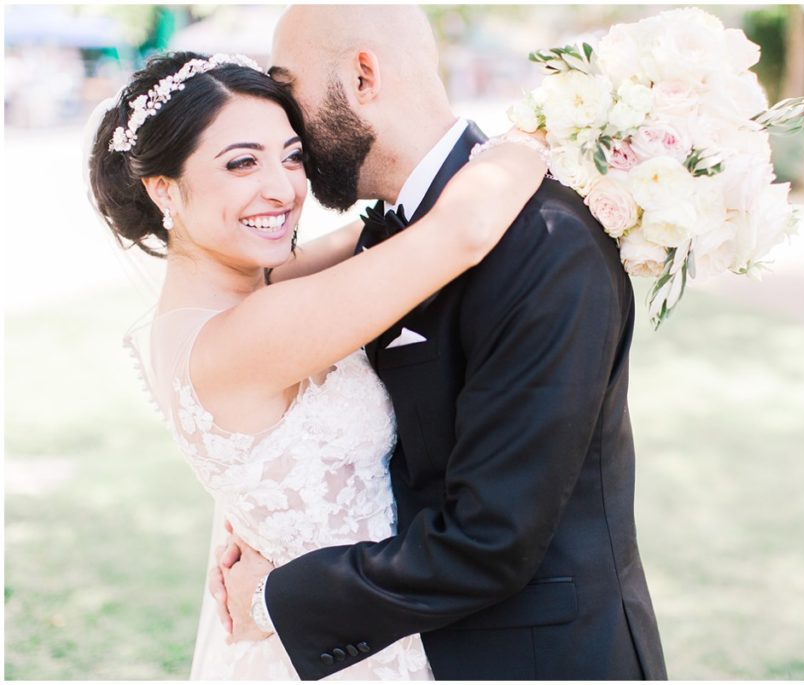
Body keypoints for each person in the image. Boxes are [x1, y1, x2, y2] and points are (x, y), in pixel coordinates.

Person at [214, 6, 668, 680]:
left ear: (363, 75)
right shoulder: (396, 234)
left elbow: (490, 539)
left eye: (288, 88)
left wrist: (274, 598)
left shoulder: (546, 244)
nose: (287, 125)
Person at [87, 50, 548, 680]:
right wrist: (546, 139)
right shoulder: (247, 333)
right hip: (354, 648)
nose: (284, 188)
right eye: (242, 162)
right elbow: (462, 231)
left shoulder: (219, 302)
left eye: (293, 155)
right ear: (163, 187)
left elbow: (378, 237)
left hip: (332, 619)